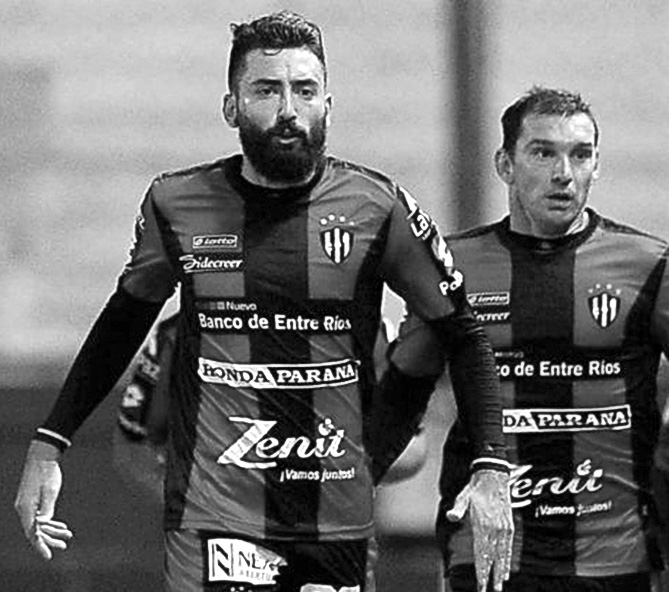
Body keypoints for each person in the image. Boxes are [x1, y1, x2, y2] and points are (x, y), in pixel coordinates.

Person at [14, 11, 513, 592]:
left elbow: (463, 334)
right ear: (232, 107)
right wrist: (50, 443)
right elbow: (124, 319)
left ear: (329, 105)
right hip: (214, 517)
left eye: (305, 91)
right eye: (267, 90)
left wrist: (492, 467)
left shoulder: (377, 207)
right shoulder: (178, 203)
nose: (288, 110)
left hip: (337, 523)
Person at [388, 86, 669, 591]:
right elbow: (402, 392)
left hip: (614, 558)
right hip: (487, 552)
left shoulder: (647, 265)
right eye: (543, 153)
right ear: (505, 164)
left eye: (580, 155)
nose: (564, 173)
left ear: (597, 165)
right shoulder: (454, 265)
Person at [112, 313, 430, 592]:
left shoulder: (369, 327)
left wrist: (333, 473)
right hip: (224, 536)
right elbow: (132, 444)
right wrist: (198, 503)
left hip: (332, 540)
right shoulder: (180, 331)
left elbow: (413, 449)